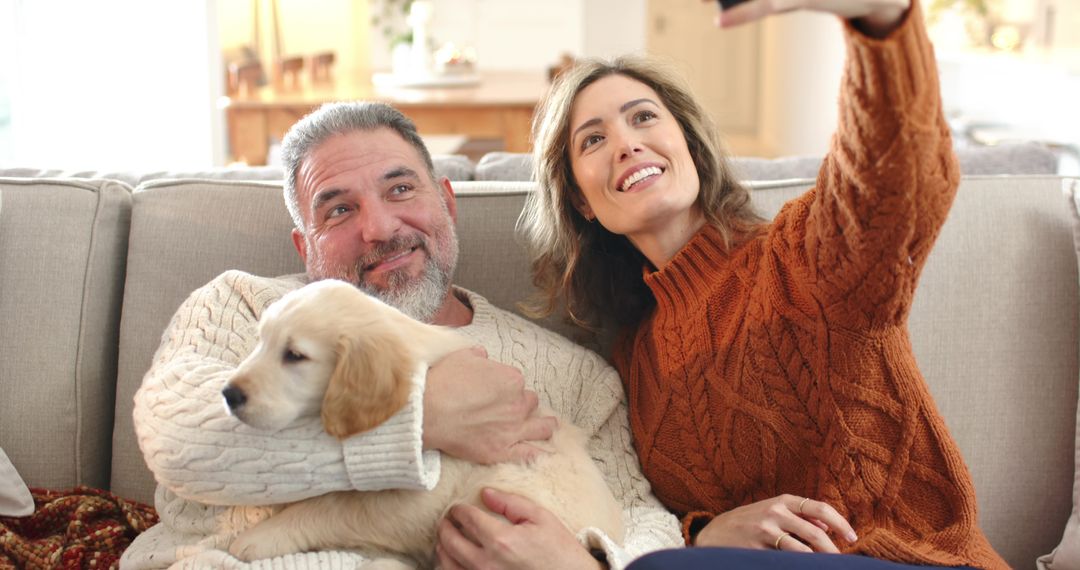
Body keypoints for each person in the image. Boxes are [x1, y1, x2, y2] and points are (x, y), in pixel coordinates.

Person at [519, 0, 1007, 568]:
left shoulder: (799, 257)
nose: (627, 143)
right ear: (581, 200)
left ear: (690, 145)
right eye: (592, 140)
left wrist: (882, 21)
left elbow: (895, 185)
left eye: (644, 117)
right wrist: (703, 533)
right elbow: (641, 512)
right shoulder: (632, 356)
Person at [121, 101, 682, 569]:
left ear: (447, 202)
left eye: (400, 190)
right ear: (304, 246)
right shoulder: (242, 305)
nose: (379, 228)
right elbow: (176, 441)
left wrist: (580, 564)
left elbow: (645, 522)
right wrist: (418, 419)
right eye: (339, 210)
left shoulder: (572, 374)